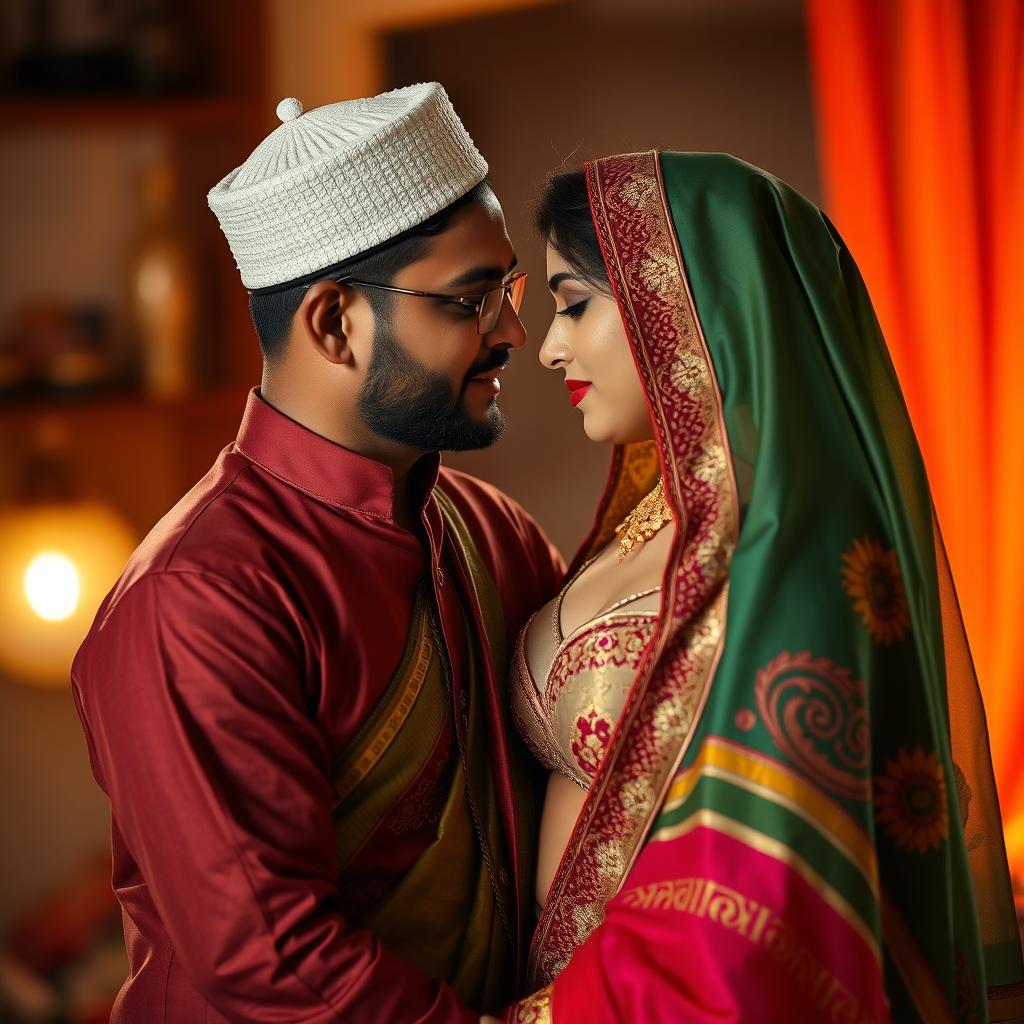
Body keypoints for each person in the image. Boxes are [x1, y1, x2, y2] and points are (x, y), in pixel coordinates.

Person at [71, 83, 565, 1024]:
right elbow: (271, 958)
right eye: (470, 301)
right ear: (335, 324)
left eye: (509, 288)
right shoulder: (201, 599)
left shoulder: (492, 530)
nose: (512, 331)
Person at [496, 151, 1024, 1023]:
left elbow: (767, 885)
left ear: (692, 299)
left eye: (575, 304)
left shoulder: (797, 554)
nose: (549, 348)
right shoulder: (646, 523)